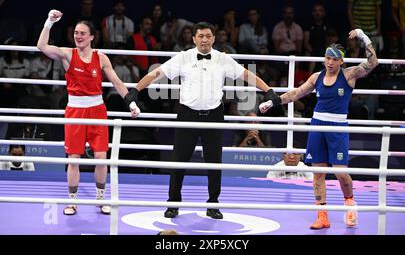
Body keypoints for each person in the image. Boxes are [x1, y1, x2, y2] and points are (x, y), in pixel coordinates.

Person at [124, 22, 279, 220]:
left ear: (213, 39)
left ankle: (213, 204)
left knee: (214, 162)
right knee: (179, 160)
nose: (204, 39)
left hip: (214, 115)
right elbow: (156, 73)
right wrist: (136, 90)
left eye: (208, 36)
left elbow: (247, 75)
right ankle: (173, 203)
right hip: (187, 115)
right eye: (201, 36)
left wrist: (269, 91)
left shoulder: (223, 59)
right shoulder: (183, 57)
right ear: (194, 38)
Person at [259, 29, 378, 229]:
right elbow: (297, 93)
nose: (330, 62)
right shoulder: (317, 76)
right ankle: (322, 215)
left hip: (338, 127)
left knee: (340, 172)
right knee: (318, 173)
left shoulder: (349, 75)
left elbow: (372, 63)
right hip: (317, 125)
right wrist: (273, 102)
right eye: (327, 58)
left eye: (334, 59)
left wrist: (363, 37)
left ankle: (349, 202)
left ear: (341, 61)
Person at [37, 10, 138, 216]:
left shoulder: (101, 58)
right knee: (73, 158)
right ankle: (72, 201)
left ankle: (101, 199)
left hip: (97, 110)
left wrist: (131, 102)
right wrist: (49, 22)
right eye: (76, 33)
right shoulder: (67, 54)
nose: (78, 36)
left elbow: (117, 82)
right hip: (75, 110)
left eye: (83, 33)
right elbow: (42, 46)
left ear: (92, 36)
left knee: (101, 157)